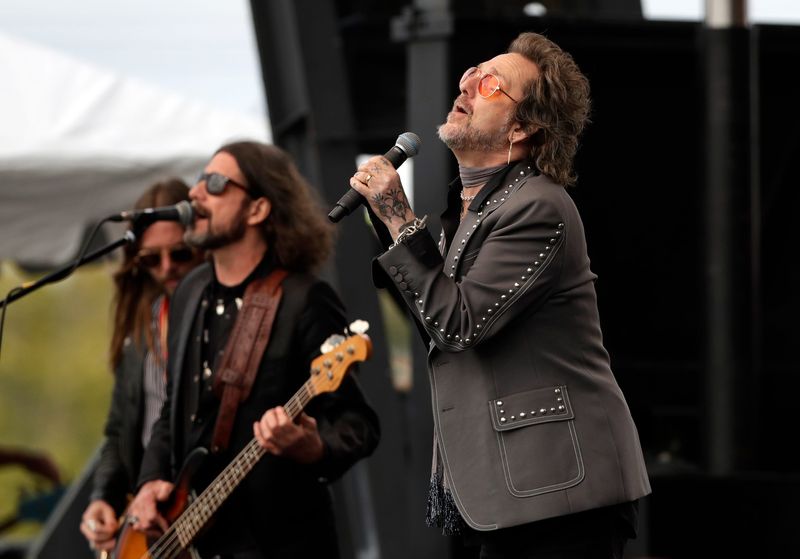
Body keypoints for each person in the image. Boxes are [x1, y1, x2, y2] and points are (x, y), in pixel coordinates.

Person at [349, 32, 651, 558]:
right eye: (472, 72)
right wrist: (393, 228)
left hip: (557, 489)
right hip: (501, 488)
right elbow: (431, 317)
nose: (467, 84)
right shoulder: (469, 210)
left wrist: (398, 216)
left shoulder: (538, 207)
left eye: (490, 84)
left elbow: (458, 324)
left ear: (522, 126)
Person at [127, 141, 380, 558]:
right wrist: (149, 480)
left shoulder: (304, 299)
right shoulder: (191, 291)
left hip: (278, 542)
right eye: (198, 181)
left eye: (216, 183)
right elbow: (174, 410)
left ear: (258, 209)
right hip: (195, 536)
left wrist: (313, 446)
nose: (195, 193)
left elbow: (359, 424)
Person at [80, 179, 205, 553]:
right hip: (151, 515)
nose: (167, 268)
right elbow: (119, 430)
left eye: (180, 254)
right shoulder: (142, 324)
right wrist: (103, 497)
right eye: (152, 259)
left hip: (208, 501)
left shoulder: (221, 315)